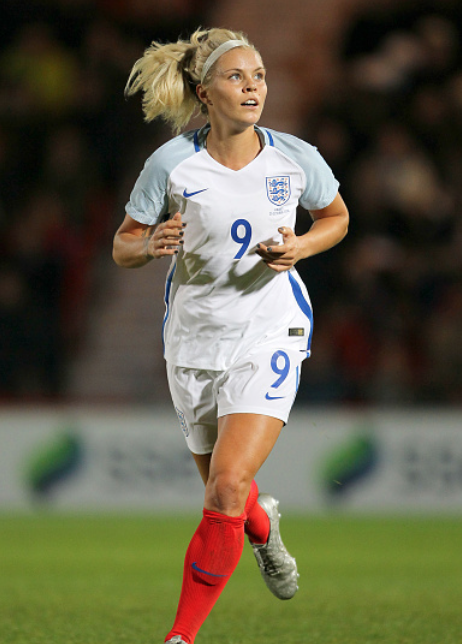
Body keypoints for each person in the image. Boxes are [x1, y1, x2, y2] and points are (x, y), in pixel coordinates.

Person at [113, 27, 349, 644]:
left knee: (225, 485)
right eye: (237, 77)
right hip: (193, 339)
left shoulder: (296, 157)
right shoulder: (171, 163)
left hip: (270, 329)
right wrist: (149, 246)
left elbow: (337, 219)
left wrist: (299, 245)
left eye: (260, 77)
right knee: (229, 491)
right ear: (204, 91)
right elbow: (124, 243)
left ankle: (180, 637)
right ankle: (263, 530)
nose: (253, 88)